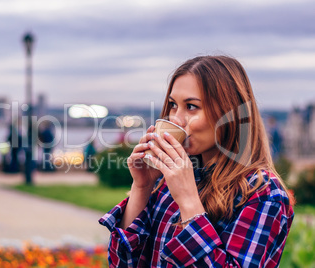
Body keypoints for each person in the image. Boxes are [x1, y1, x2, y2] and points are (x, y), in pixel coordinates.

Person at [99, 55, 294, 267]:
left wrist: (188, 201)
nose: (175, 119)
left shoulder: (262, 192)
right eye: (173, 105)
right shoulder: (166, 182)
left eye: (191, 106)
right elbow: (123, 263)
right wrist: (142, 186)